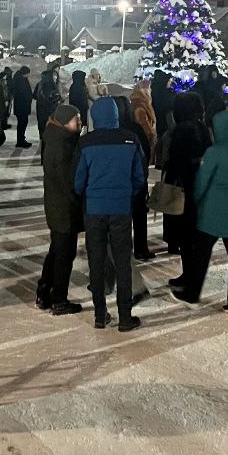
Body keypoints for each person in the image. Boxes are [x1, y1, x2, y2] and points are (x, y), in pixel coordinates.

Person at [74, 96, 145, 331]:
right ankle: (125, 316)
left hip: (94, 209)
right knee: (122, 260)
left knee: (96, 261)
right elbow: (139, 177)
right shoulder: (130, 139)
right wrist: (126, 193)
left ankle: (99, 314)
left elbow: (78, 181)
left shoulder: (85, 143)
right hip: (121, 208)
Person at [171, 108, 228, 315]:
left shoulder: (214, 152)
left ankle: (191, 294)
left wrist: (195, 200)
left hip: (213, 211)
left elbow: (202, 181)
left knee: (201, 254)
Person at [36, 103, 84, 314]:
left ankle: (44, 292)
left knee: (56, 251)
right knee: (64, 254)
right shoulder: (63, 146)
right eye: (77, 120)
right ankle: (59, 299)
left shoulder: (57, 139)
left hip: (57, 206)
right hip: (64, 208)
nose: (80, 123)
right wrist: (80, 200)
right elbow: (69, 182)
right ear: (66, 122)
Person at [162, 91, 212, 276]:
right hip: (199, 187)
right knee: (193, 233)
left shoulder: (181, 130)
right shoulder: (202, 128)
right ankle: (190, 274)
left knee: (185, 234)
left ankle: (189, 275)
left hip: (183, 188)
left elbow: (174, 161)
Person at [113, 95, 153, 260]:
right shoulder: (136, 129)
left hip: (117, 180)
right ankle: (141, 248)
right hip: (137, 178)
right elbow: (146, 152)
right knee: (139, 215)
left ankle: (120, 250)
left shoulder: (111, 131)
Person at [35, 67, 61, 139]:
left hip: (40, 110)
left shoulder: (39, 84)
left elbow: (34, 96)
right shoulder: (50, 86)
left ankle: (42, 145)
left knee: (42, 129)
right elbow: (52, 99)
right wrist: (58, 98)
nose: (55, 78)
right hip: (49, 111)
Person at [12, 66, 34, 147]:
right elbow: (23, 93)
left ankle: (21, 139)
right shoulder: (20, 81)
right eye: (28, 73)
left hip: (22, 106)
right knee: (22, 123)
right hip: (21, 107)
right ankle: (20, 141)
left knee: (23, 123)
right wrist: (28, 98)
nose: (28, 75)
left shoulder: (20, 79)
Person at [150, 69, 174, 139]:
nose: (170, 83)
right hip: (163, 125)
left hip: (153, 125)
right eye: (169, 81)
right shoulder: (166, 95)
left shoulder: (151, 92)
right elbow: (168, 112)